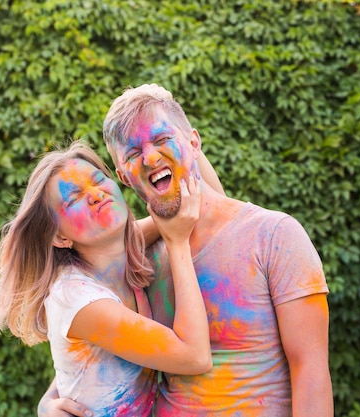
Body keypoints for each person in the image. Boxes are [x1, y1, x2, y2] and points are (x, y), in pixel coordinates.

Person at [39, 84, 334, 417]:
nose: (150, 157)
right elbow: (103, 341)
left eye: (163, 140)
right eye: (133, 154)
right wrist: (50, 402)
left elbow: (310, 369)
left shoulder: (274, 235)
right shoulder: (141, 259)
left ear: (194, 142)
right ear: (124, 176)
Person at [0, 140, 215, 417]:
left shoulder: (122, 250)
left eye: (98, 179)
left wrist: (182, 131)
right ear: (59, 236)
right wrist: (177, 244)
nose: (95, 194)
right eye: (73, 199)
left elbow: (206, 205)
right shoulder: (77, 298)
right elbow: (195, 357)